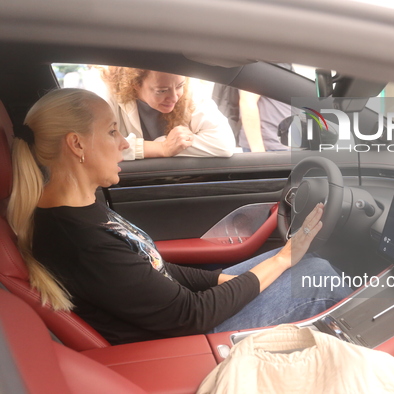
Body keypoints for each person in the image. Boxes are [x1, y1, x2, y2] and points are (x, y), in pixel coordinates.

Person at [7, 88, 350, 345]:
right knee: (317, 278)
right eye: (112, 131)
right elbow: (190, 315)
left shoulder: (82, 206)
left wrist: (229, 281)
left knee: (298, 263)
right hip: (190, 339)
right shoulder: (78, 241)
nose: (124, 144)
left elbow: (156, 268)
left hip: (180, 312)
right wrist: (282, 264)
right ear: (77, 145)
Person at [101, 67, 236, 160]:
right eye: (162, 91)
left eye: (179, 86)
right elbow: (99, 147)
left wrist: (170, 144)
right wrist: (161, 148)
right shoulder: (109, 96)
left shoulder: (191, 92)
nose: (174, 98)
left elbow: (224, 144)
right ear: (135, 84)